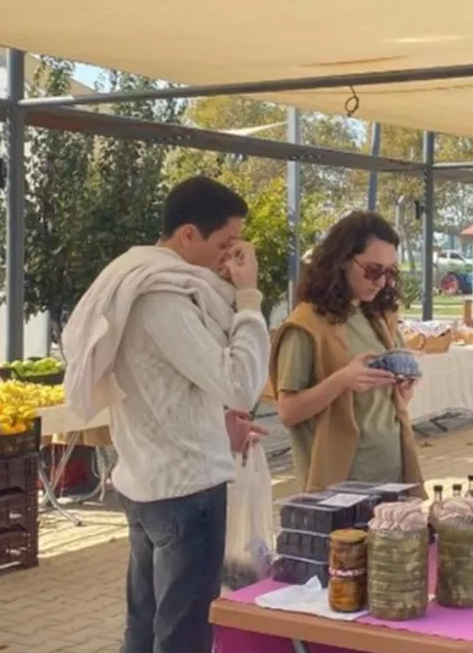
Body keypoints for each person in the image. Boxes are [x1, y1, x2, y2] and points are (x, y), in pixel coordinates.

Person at [62, 176, 270, 653]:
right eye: (226, 243)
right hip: (185, 489)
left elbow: (167, 389)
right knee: (183, 634)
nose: (231, 256)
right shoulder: (162, 298)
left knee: (146, 626)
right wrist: (249, 298)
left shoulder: (133, 280)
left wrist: (215, 425)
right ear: (188, 234)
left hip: (148, 480)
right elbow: (240, 384)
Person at [273, 211, 424, 491]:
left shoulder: (379, 316)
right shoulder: (306, 325)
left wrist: (402, 388)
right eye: (373, 270)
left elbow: (385, 402)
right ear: (342, 261)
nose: (382, 282)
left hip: (392, 472)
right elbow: (288, 412)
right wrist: (341, 380)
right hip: (340, 484)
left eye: (390, 272)